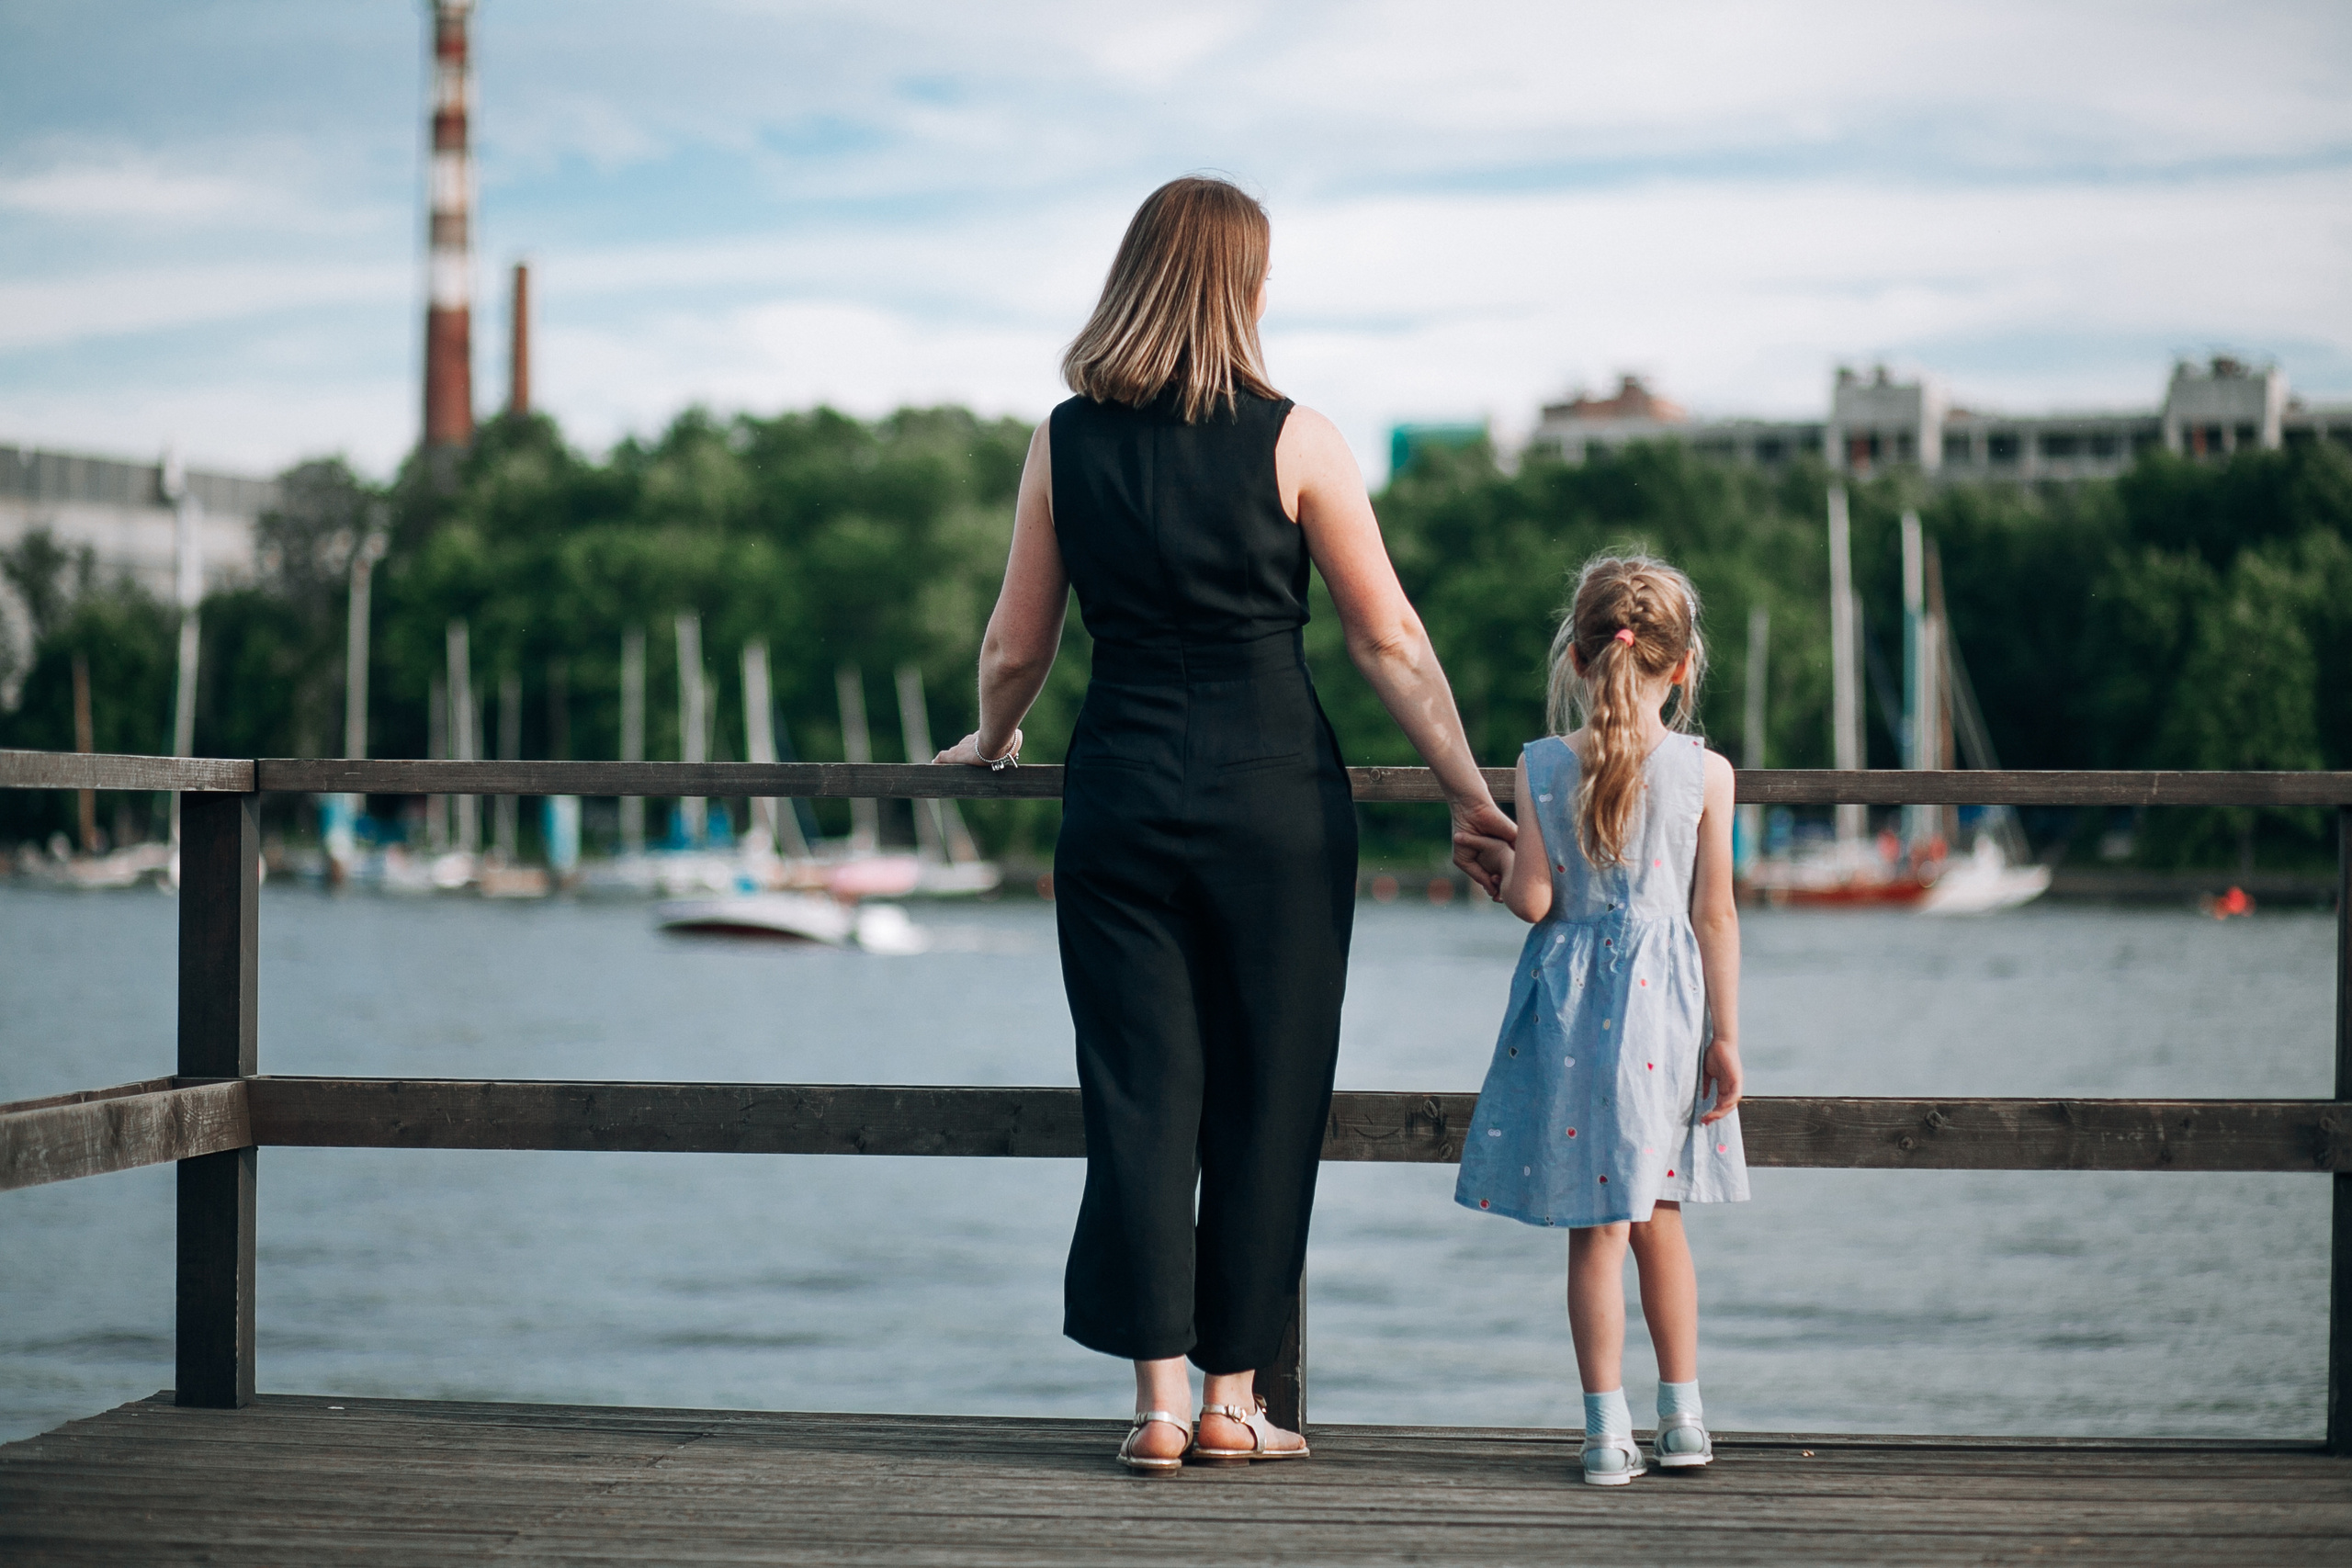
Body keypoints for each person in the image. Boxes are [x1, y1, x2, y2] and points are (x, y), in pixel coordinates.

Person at [938, 175, 1513, 1472]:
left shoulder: (1063, 441)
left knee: (1140, 1092)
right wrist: (1470, 794)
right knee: (1268, 1089)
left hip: (1121, 795)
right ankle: (1230, 1397)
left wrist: (989, 739)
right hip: (1274, 803)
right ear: (1244, 285)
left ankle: (1153, 1401)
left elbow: (1015, 645)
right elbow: (1388, 637)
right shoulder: (1300, 438)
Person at [1453, 554, 1748, 1486]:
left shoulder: (1541, 764)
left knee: (1597, 1228)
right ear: (1682, 667)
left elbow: (1536, 902)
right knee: (1658, 1215)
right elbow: (1714, 914)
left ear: (1577, 659)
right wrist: (1726, 1036)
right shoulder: (1707, 772)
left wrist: (1497, 867)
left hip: (1574, 1011)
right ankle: (1684, 1421)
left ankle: (1604, 1435)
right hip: (1668, 1013)